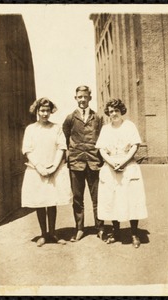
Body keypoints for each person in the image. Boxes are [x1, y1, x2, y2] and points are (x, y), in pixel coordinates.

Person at [95, 99, 148, 248]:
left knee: (131, 199)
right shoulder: (105, 129)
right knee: (113, 200)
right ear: (108, 113)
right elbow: (101, 149)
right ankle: (116, 232)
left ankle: (134, 234)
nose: (114, 114)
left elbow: (135, 146)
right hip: (111, 167)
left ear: (121, 111)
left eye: (116, 110)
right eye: (111, 111)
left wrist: (124, 161)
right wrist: (112, 162)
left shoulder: (129, 126)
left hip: (128, 166)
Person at [21, 97, 72, 247]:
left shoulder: (56, 128)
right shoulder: (31, 129)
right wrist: (39, 167)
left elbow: (61, 147)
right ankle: (43, 234)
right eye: (42, 110)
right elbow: (27, 150)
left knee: (51, 201)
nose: (44, 114)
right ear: (37, 111)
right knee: (40, 202)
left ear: (51, 111)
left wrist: (54, 167)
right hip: (36, 170)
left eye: (47, 111)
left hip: (53, 170)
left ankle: (53, 233)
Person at [62, 85, 105, 242]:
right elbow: (65, 138)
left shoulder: (98, 118)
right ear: (76, 98)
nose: (82, 99)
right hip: (76, 163)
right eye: (79, 97)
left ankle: (100, 228)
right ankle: (79, 229)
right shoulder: (70, 118)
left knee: (97, 197)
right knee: (77, 198)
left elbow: (103, 137)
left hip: (94, 162)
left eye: (85, 97)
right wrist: (71, 155)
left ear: (89, 98)